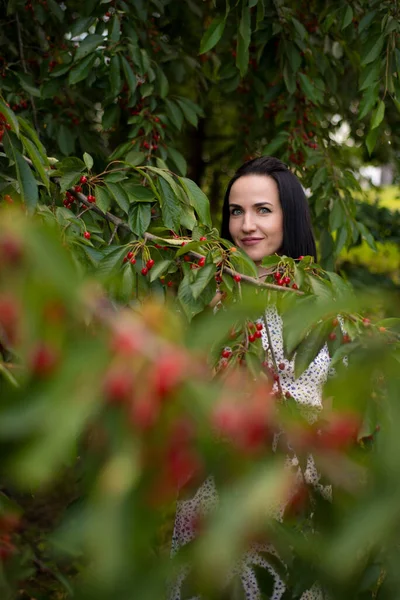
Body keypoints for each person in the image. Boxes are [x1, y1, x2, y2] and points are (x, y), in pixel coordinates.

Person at [170, 157, 331, 600]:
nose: (246, 224)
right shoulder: (208, 299)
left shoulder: (316, 307)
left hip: (287, 510)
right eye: (236, 211)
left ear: (289, 216)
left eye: (263, 210)